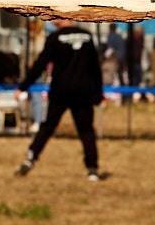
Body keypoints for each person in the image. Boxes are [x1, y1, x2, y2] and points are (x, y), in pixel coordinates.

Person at [14, 21, 104, 182]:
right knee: (86, 130)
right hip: (82, 91)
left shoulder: (55, 37)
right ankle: (92, 169)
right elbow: (95, 67)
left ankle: (31, 156)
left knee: (48, 126)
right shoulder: (87, 36)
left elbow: (40, 64)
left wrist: (23, 87)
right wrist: (98, 92)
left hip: (60, 90)